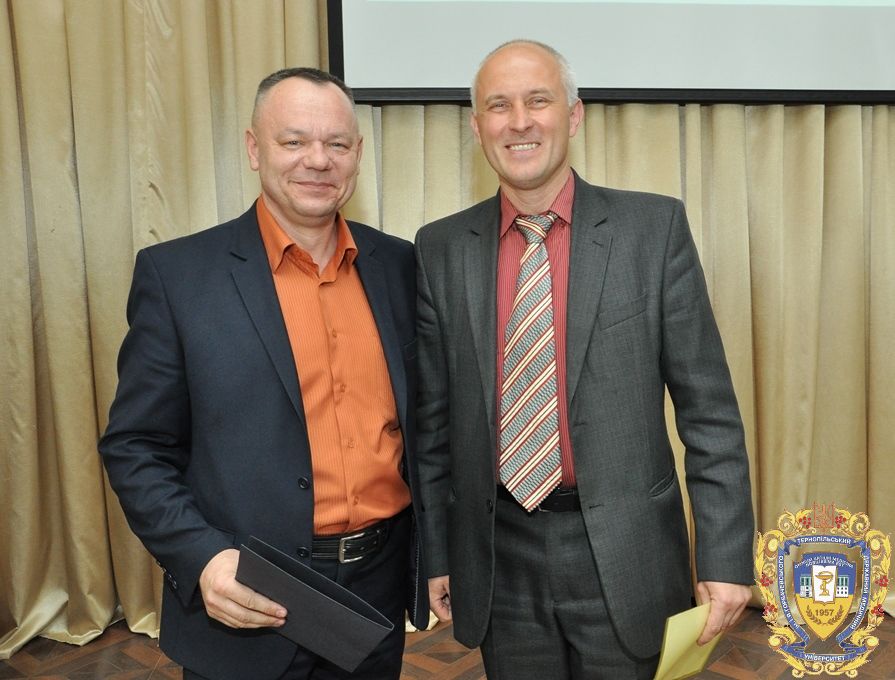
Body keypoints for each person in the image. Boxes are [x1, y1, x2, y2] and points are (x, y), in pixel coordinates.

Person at [414, 40, 754, 679]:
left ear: (573, 115)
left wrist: (725, 557)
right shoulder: (440, 249)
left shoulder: (653, 230)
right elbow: (432, 427)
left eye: (538, 101)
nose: (519, 121)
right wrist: (436, 553)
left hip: (629, 554)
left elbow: (709, 411)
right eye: (498, 106)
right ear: (477, 127)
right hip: (499, 558)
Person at [99, 67, 427, 680]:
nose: (318, 160)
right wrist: (202, 557)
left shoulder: (400, 265)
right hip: (245, 593)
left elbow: (425, 424)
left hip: (375, 592)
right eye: (293, 141)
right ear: (254, 149)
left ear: (357, 154)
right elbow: (136, 446)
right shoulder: (178, 276)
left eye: (336, 143)